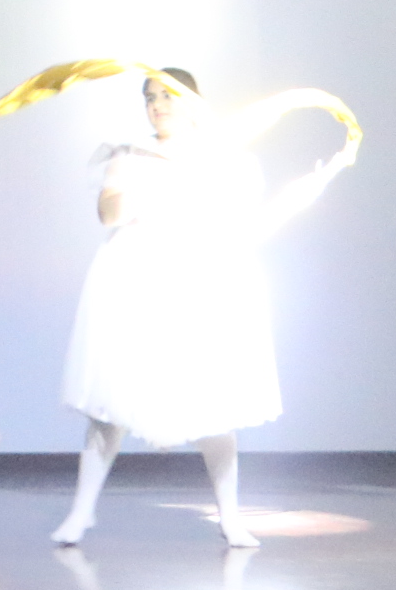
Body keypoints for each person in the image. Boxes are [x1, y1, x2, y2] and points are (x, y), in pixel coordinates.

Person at [50, 68, 278, 549]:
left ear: (191, 101)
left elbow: (236, 212)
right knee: (110, 404)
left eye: (167, 96)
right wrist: (146, 181)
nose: (157, 106)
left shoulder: (220, 154)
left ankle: (230, 517)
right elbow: (109, 214)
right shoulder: (129, 154)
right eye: (150, 98)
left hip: (197, 278)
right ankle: (81, 513)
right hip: (135, 277)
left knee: (212, 405)